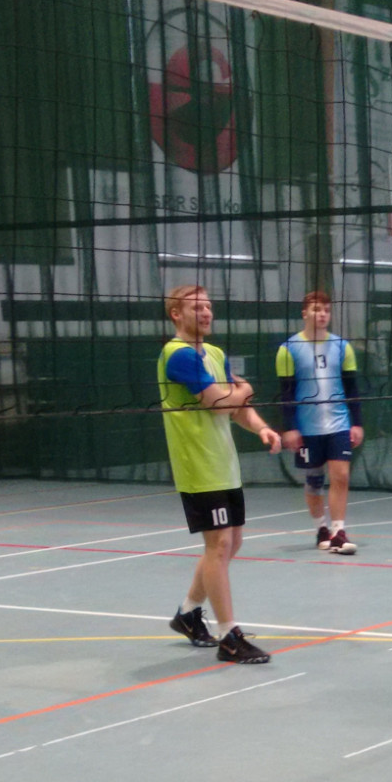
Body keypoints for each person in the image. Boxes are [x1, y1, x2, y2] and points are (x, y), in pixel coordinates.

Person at [157, 284, 281, 664]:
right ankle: (229, 637)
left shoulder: (214, 354)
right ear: (176, 314)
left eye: (209, 306)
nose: (207, 312)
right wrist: (244, 390)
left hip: (223, 463)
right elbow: (219, 403)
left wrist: (261, 427)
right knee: (220, 545)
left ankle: (188, 613)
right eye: (197, 307)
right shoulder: (178, 355)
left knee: (231, 543)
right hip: (198, 466)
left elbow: (236, 407)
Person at [276, 291, 363, 555]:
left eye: (326, 310)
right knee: (314, 481)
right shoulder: (288, 349)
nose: (322, 314)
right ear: (305, 313)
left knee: (341, 475)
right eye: (316, 309)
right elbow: (286, 393)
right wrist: (290, 427)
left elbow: (352, 389)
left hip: (338, 423)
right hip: (307, 427)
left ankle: (338, 532)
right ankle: (321, 529)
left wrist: (357, 423)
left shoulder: (342, 347)